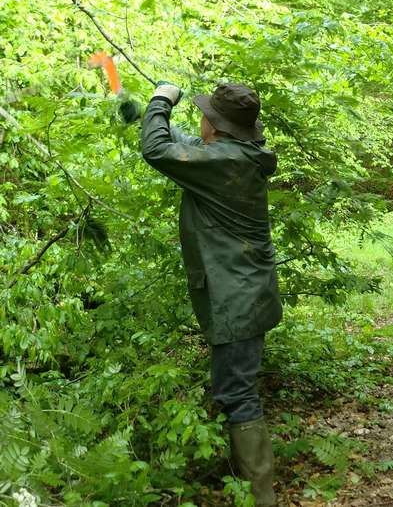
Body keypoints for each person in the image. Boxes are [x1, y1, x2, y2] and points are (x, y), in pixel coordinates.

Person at [141, 82, 283, 507]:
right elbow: (181, 145)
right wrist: (145, 116)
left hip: (238, 299)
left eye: (205, 115)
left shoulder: (225, 163)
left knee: (236, 394)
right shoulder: (235, 157)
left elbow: (160, 151)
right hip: (245, 294)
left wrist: (161, 102)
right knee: (234, 389)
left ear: (216, 127)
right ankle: (246, 487)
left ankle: (261, 498)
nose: (200, 121)